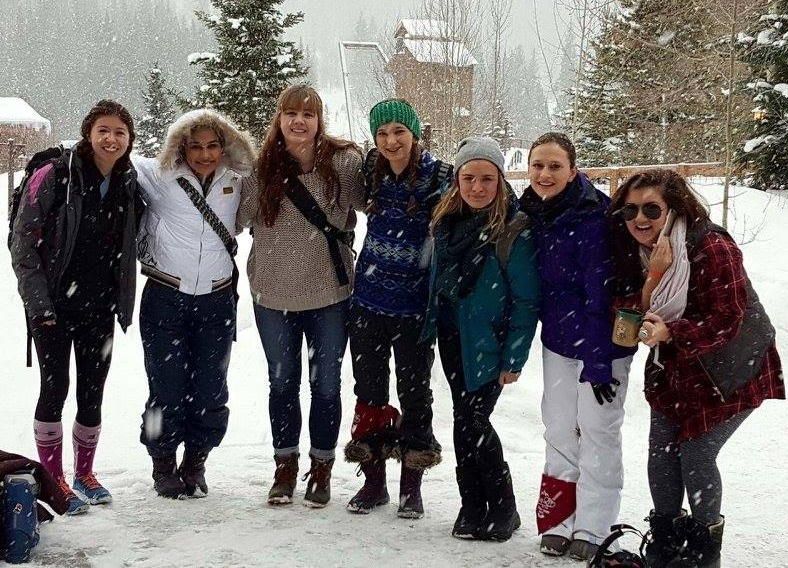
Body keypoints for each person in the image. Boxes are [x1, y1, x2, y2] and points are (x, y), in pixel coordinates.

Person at [609, 169, 784, 568]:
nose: (640, 219)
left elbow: (728, 316)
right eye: (631, 210)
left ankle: (705, 550)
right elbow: (627, 304)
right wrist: (650, 284)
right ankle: (668, 541)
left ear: (674, 207)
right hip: (673, 371)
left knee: (696, 454)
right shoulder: (635, 250)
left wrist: (672, 331)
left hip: (730, 370)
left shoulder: (710, 245)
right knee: (661, 454)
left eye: (652, 209)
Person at [10, 100, 141, 514]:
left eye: (120, 132)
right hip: (52, 307)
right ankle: (54, 481)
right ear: (88, 133)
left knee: (92, 392)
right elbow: (22, 244)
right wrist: (38, 306)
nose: (111, 139)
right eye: (103, 130)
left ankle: (84, 473)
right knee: (55, 388)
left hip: (99, 307)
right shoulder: (56, 175)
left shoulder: (128, 180)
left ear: (129, 140)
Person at [238, 85, 364, 508]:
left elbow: (376, 199)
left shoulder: (345, 164)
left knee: (326, 385)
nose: (298, 121)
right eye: (290, 113)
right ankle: (285, 466)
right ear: (279, 118)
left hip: (330, 292)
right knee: (282, 383)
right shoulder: (261, 168)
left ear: (319, 120)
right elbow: (238, 217)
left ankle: (322, 467)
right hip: (273, 293)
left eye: (308, 114)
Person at [518, 132, 635, 560]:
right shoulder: (532, 209)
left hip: (603, 347)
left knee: (600, 431)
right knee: (560, 426)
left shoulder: (594, 217)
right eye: (538, 166)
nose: (545, 174)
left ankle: (596, 526)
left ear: (573, 169)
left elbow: (600, 293)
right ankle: (559, 519)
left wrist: (599, 361)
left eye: (554, 166)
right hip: (559, 341)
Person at [423, 137, 539, 541]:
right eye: (468, 177)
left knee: (473, 419)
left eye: (487, 178)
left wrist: (515, 357)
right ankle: (472, 506)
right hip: (453, 335)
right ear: (456, 180)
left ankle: (503, 508)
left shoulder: (512, 228)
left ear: (500, 179)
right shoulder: (447, 221)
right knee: (462, 418)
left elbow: (526, 300)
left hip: (490, 342)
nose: (477, 187)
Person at [135, 109, 255, 499]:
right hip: (165, 296)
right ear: (180, 147)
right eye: (196, 146)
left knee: (210, 390)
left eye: (213, 145)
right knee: (165, 390)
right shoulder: (158, 176)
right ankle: (162, 461)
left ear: (225, 147)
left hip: (217, 299)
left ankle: (196, 460)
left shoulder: (238, 179)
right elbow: (109, 157)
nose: (205, 154)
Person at [344, 99, 452, 519]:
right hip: (368, 303)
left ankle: (412, 485)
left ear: (414, 133)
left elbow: (487, 199)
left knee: (415, 394)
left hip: (414, 308)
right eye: (382, 133)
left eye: (398, 132)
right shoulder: (369, 171)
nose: (391, 141)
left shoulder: (439, 176)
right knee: (368, 393)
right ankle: (374, 484)